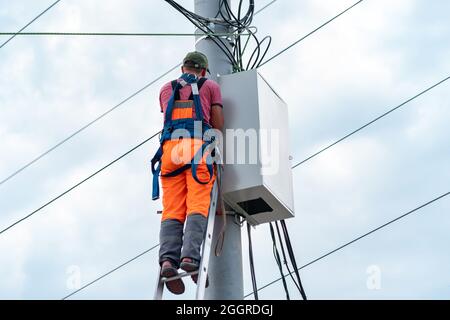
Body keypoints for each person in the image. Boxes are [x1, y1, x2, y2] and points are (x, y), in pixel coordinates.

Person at [152, 51, 224, 294]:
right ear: (203, 70)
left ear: (182, 68)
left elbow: (169, 116)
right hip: (196, 150)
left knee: (172, 209)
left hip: (170, 153)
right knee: (197, 205)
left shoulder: (165, 89)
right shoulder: (210, 86)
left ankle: (168, 261)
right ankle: (190, 259)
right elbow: (217, 122)